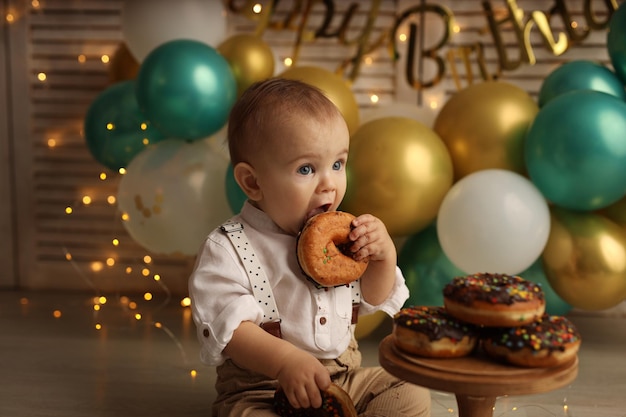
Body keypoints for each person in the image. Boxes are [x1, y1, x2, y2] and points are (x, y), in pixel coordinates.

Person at [189, 77, 431, 417]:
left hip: (343, 378)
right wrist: (286, 361)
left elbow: (372, 299)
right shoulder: (229, 248)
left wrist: (383, 258)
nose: (329, 184)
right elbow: (231, 332)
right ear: (252, 182)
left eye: (338, 164)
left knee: (408, 390)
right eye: (306, 169)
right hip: (262, 387)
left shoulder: (345, 239)